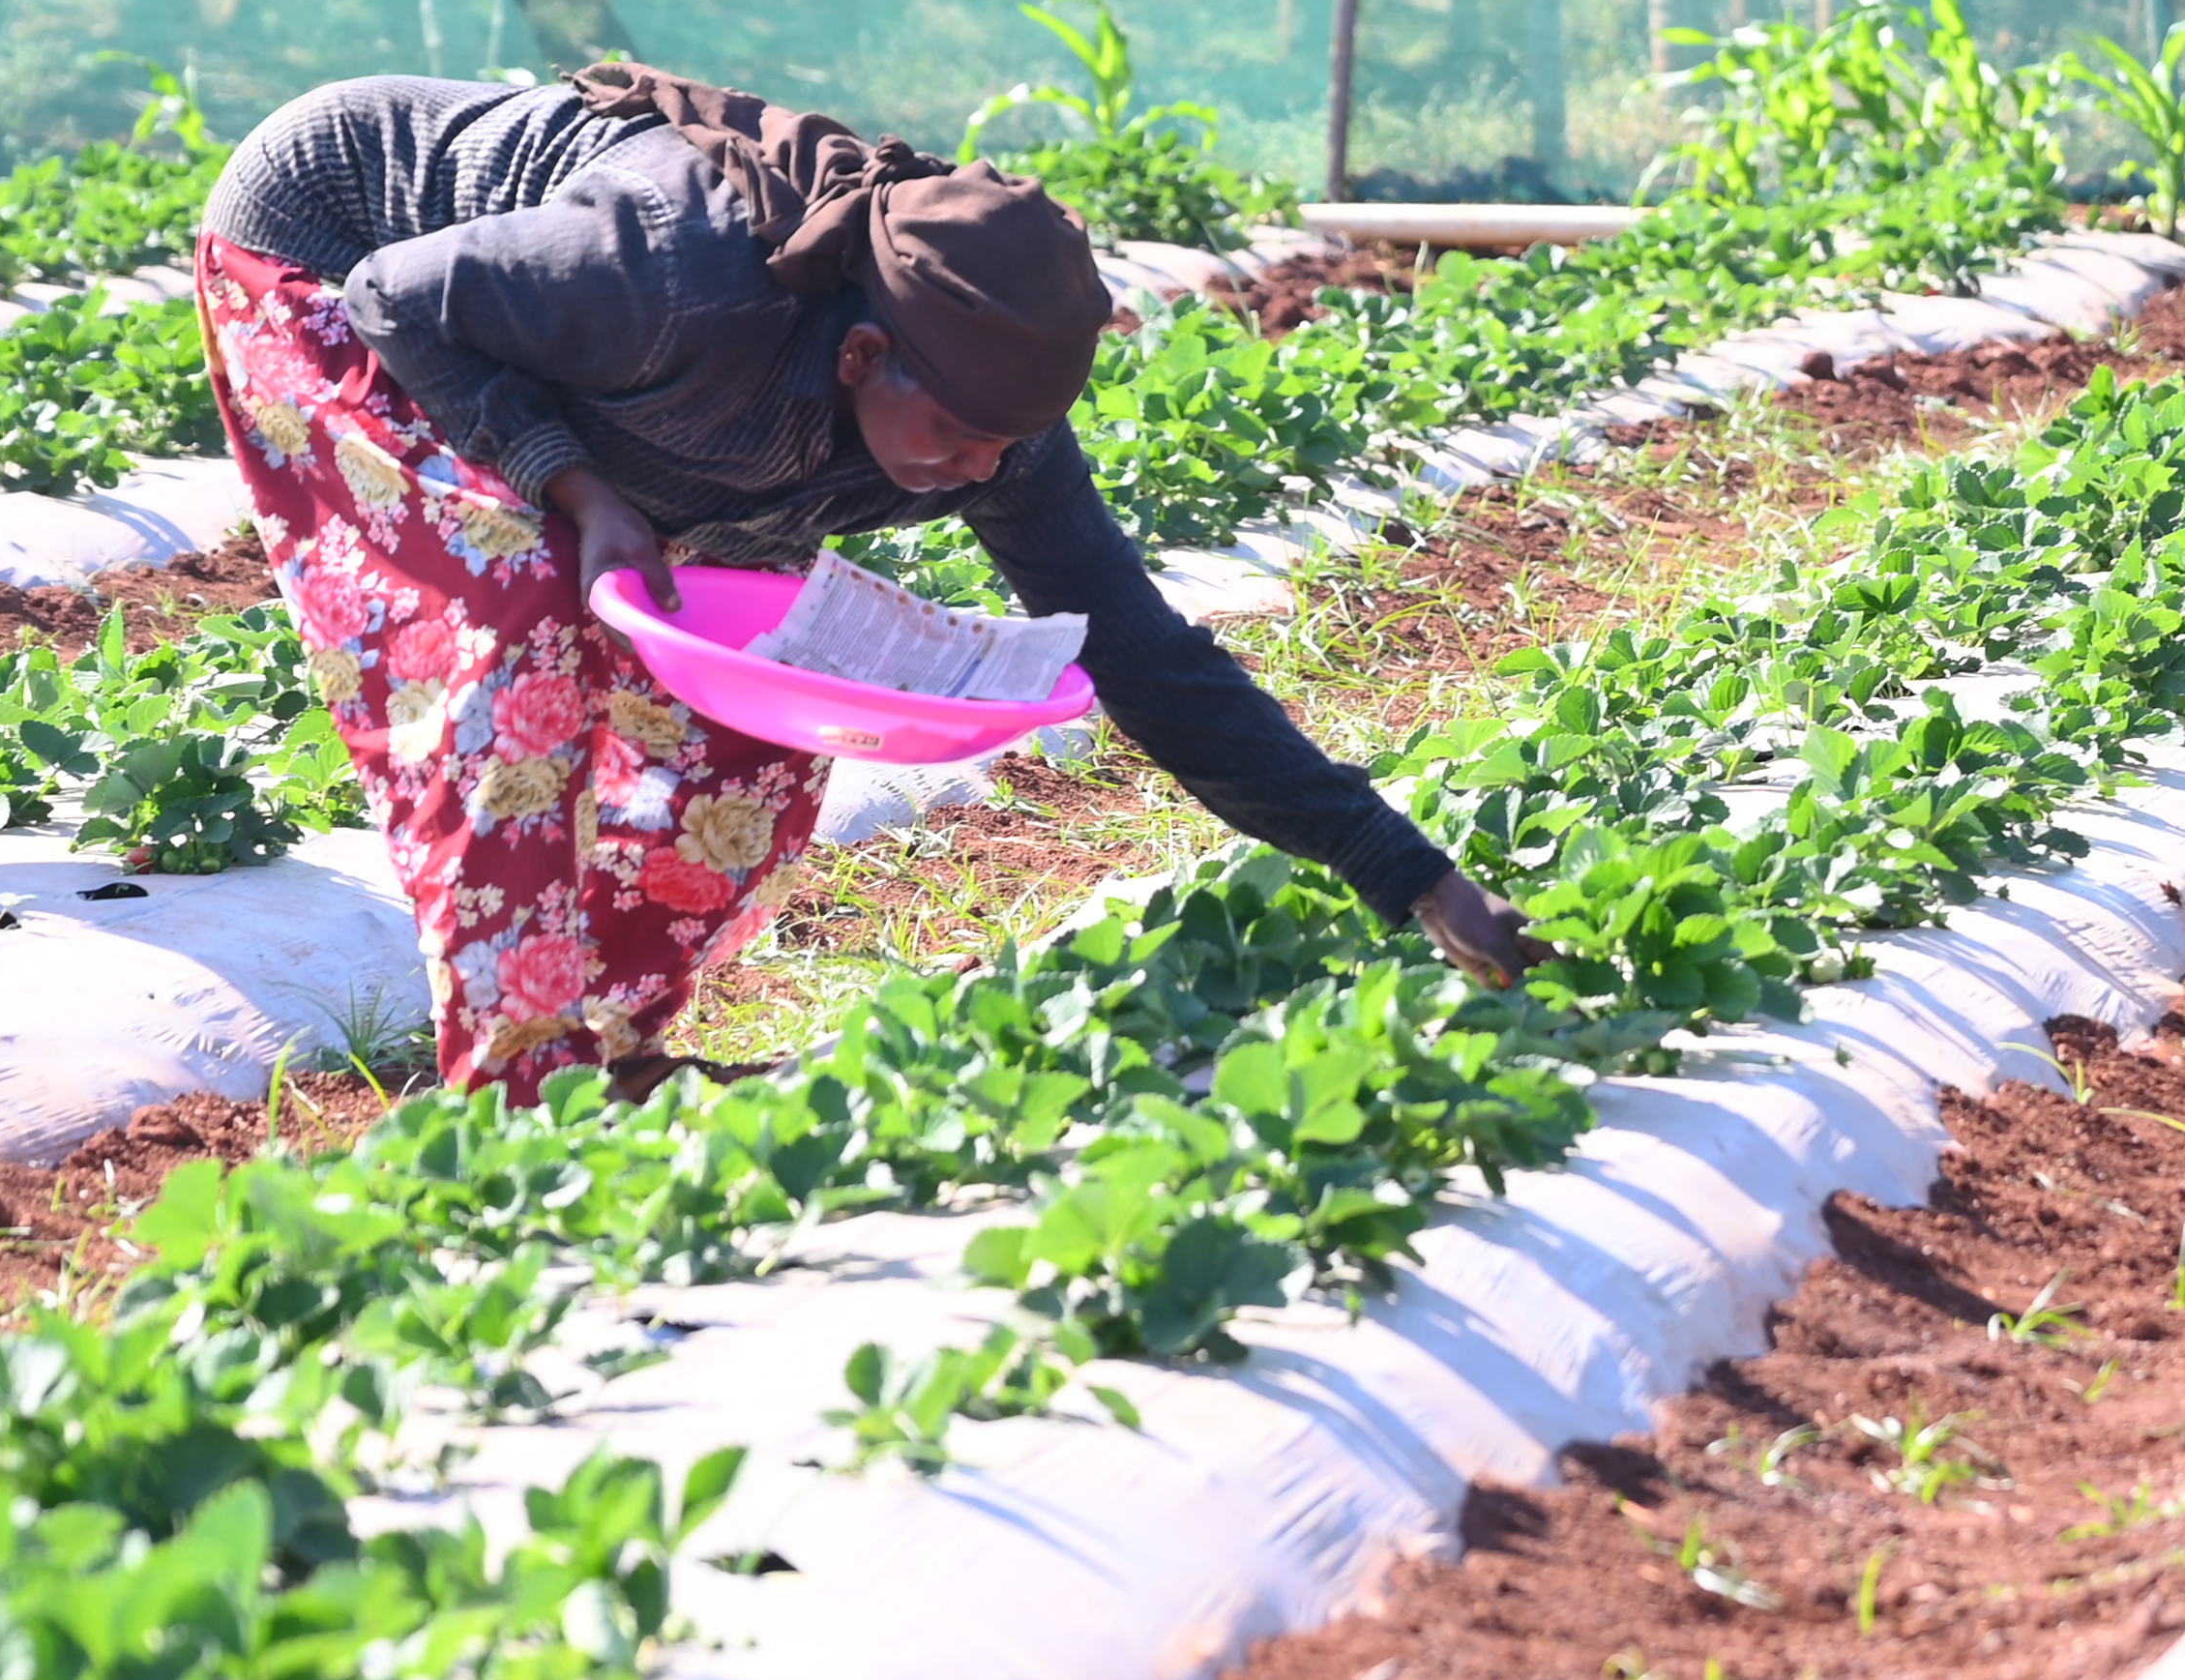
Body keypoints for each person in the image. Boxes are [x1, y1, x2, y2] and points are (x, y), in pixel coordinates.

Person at [196, 61, 1548, 1089]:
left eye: (1002, 448)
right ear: (861, 361)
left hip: (570, 370)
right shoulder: (676, 274)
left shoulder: (992, 428)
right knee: (520, 635)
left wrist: (1410, 875)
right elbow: (398, 296)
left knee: (758, 749)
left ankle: (605, 1052)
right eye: (950, 437)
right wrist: (577, 484)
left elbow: (1144, 656)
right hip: (325, 254)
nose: (973, 470)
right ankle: (519, 1087)